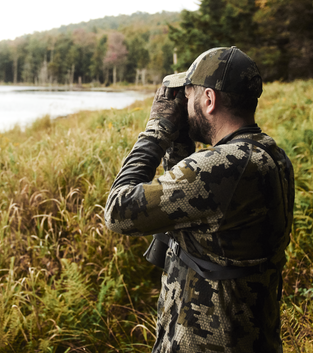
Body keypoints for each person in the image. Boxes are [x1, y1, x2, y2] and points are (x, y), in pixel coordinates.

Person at [104, 46, 295, 353]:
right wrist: (180, 141)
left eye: (189, 95)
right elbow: (192, 209)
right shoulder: (267, 154)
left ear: (209, 99)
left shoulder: (222, 165)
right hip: (245, 335)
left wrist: (157, 130)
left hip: (208, 341)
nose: (184, 105)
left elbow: (118, 211)